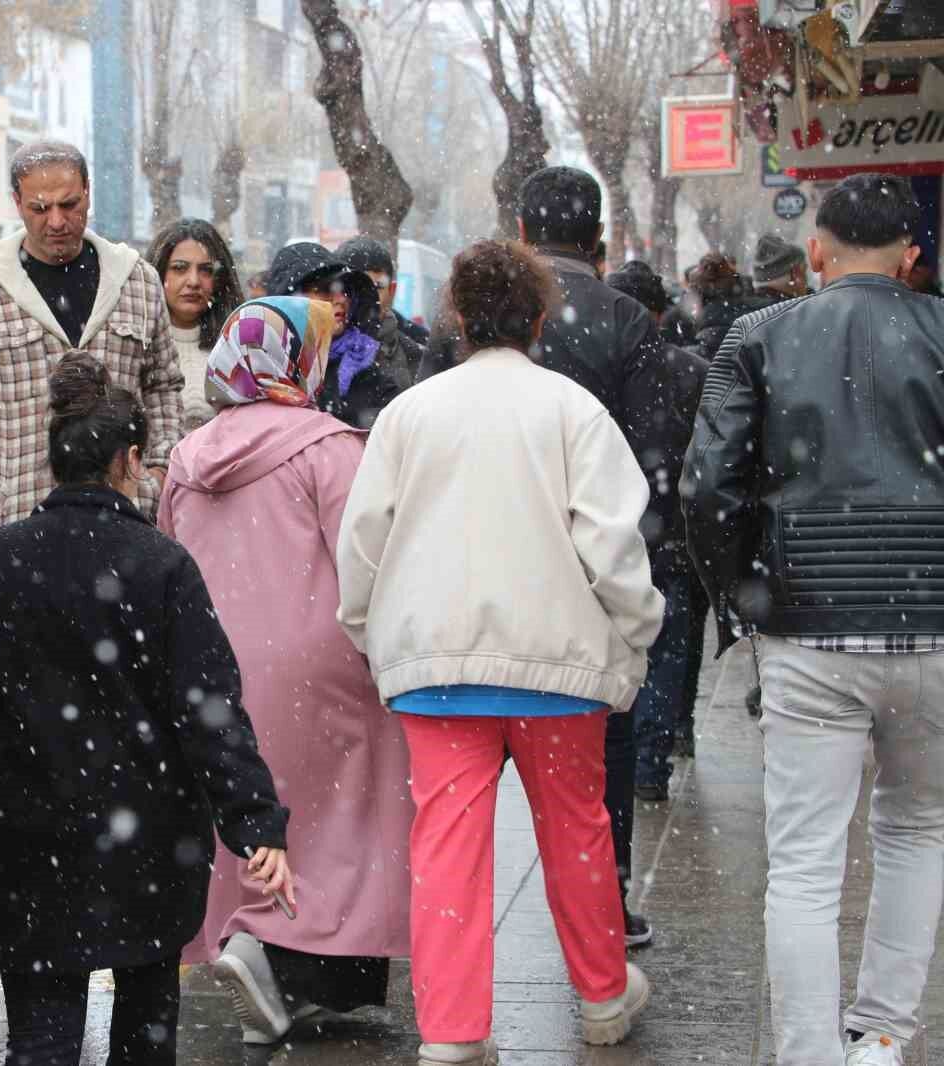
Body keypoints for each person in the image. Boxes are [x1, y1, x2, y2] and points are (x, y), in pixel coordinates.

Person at [339, 239, 662, 1066]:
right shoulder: (573, 411)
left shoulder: (411, 414)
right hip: (560, 663)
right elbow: (614, 547)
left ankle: (452, 1029)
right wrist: (635, 635)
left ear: (456, 315)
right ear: (540, 319)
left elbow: (363, 543)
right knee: (577, 828)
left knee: (447, 845)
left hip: (437, 666)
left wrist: (372, 635)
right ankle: (601, 993)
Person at [0, 353, 292, 1066]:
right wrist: (254, 820)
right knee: (146, 1027)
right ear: (132, 461)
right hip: (148, 832)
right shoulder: (162, 565)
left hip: (29, 832)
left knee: (41, 1039)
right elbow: (209, 709)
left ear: (54, 459)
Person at [684, 173, 944, 1066]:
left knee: (802, 859)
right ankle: (883, 1035)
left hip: (808, 627)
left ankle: (808, 1053)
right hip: (936, 623)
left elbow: (707, 489)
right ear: (912, 257)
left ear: (818, 250)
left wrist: (742, 597)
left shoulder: (760, 336)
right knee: (918, 830)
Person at [417, 165, 676, 947]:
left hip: (470, 575)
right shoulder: (627, 320)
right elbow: (655, 459)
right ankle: (606, 909)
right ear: (596, 235)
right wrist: (635, 588)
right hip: (584, 578)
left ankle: (449, 931)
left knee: (460, 786)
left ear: (523, 230)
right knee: (594, 771)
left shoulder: (461, 324)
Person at [160, 296, 413, 1045]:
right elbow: (366, 562)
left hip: (215, 665)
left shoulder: (186, 458)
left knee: (250, 805)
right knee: (343, 818)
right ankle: (278, 952)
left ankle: (255, 943)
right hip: (319, 663)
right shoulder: (328, 448)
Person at [0, 141, 184, 535]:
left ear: (88, 193)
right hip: (17, 525)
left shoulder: (135, 280)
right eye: (40, 208)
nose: (57, 221)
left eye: (69, 205)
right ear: (17, 202)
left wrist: (157, 476)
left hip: (125, 523)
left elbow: (164, 385)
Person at [606, 261, 710, 792]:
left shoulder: (601, 367)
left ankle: (623, 753)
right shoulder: (691, 370)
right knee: (668, 647)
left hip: (613, 531)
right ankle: (651, 761)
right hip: (671, 530)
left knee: (621, 644)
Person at [264, 242, 409, 429]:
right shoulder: (256, 364)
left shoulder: (369, 376)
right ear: (288, 299)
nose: (340, 299)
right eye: (324, 289)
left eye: (345, 290)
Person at [145, 218, 245, 431]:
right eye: (179, 268)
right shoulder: (139, 348)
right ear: (158, 273)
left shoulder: (240, 348)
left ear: (220, 279)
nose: (193, 281)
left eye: (206, 270)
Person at [337, 234, 432, 350]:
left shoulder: (416, 353)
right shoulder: (317, 349)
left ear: (392, 291)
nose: (366, 297)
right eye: (354, 288)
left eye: (376, 288)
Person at [751, 233, 810, 302]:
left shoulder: (745, 305)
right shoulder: (799, 307)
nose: (806, 281)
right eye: (804, 270)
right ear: (795, 273)